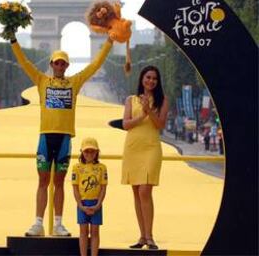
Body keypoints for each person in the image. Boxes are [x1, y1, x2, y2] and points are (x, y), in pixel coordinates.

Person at [10, 35, 114, 236]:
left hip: (65, 138)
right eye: (56, 62)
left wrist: (108, 42)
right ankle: (38, 223)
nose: (59, 66)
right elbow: (24, 62)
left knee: (59, 183)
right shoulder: (41, 80)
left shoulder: (74, 83)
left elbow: (95, 65)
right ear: (51, 64)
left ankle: (58, 223)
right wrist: (13, 40)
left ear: (67, 66)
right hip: (46, 137)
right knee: (42, 181)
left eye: (63, 63)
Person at [121, 65, 168, 250]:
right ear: (142, 79)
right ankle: (141, 237)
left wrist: (148, 110)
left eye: (154, 78)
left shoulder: (163, 100)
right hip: (133, 148)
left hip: (151, 148)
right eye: (148, 77)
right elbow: (125, 124)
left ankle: (150, 237)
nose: (151, 81)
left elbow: (160, 125)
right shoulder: (130, 100)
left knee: (144, 191)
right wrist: (141, 115)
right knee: (136, 193)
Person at [72, 137, 107, 256]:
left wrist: (98, 204)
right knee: (83, 231)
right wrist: (80, 205)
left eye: (92, 151)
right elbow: (75, 188)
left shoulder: (102, 168)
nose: (89, 154)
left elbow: (103, 187)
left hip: (96, 203)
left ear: (97, 152)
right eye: (86, 151)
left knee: (95, 231)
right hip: (82, 203)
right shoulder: (76, 167)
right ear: (82, 152)